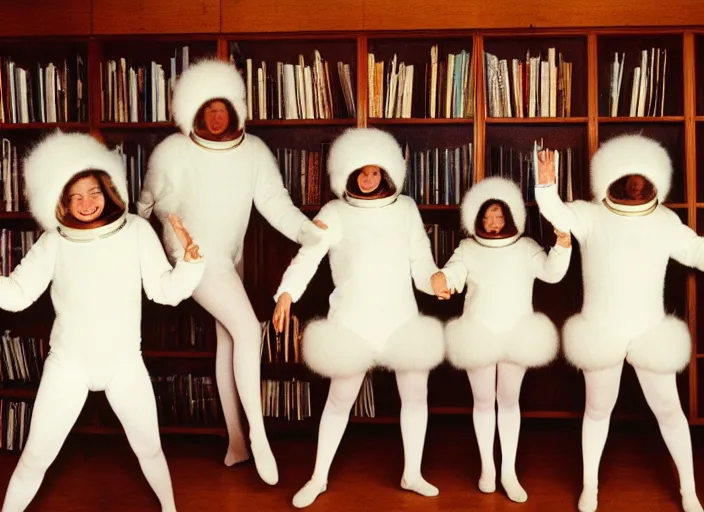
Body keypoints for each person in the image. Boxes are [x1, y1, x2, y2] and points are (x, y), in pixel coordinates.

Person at [136, 58, 325, 485]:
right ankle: (259, 435)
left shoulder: (253, 150)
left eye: (223, 108)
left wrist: (308, 232)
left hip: (230, 257)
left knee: (228, 340)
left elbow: (275, 203)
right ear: (196, 113)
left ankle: (236, 443)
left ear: (234, 110)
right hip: (195, 257)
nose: (217, 116)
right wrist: (154, 207)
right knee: (246, 328)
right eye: (208, 109)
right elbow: (147, 207)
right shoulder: (173, 150)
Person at [0, 130, 204, 512]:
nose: (86, 202)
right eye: (74, 195)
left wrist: (191, 263)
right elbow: (16, 294)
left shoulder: (137, 231)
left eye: (93, 191)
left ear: (108, 190)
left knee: (149, 448)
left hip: (124, 364)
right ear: (60, 200)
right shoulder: (54, 241)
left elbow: (165, 291)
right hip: (67, 365)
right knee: (35, 456)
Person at [272, 127, 445, 508]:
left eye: (375, 172)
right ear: (348, 174)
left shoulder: (406, 209)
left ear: (387, 174)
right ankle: (318, 478)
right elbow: (308, 257)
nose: (369, 179)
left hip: (401, 320)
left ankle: (412, 473)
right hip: (353, 322)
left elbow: (422, 265)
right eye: (362, 172)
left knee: (416, 398)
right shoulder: (334, 212)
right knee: (338, 401)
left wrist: (438, 283)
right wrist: (287, 293)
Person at [535, 134, 704, 512]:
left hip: (649, 332)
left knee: (670, 412)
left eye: (641, 176)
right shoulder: (591, 215)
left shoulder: (664, 220)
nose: (635, 181)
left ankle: (689, 491)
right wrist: (545, 183)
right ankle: (590, 486)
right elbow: (557, 212)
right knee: (597, 411)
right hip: (601, 331)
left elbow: (696, 250)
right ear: (613, 176)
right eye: (628, 175)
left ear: (654, 179)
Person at [430, 176, 572, 503]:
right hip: (478, 334)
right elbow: (453, 274)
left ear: (508, 216)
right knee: (482, 402)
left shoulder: (525, 247)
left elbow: (552, 273)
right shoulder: (467, 248)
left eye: (498, 215)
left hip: (515, 334)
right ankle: (487, 468)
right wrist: (441, 280)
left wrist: (562, 245)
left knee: (508, 402)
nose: (493, 222)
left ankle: (508, 470)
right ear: (478, 219)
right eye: (487, 216)